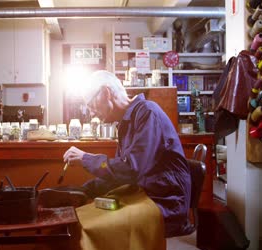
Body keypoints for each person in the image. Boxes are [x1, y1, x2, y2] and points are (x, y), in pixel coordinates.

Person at [63, 70, 191, 237]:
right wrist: (84, 191)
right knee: (80, 218)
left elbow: (131, 170)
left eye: (91, 105)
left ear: (106, 93)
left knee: (91, 228)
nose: (92, 113)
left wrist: (86, 158)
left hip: (166, 203)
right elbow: (119, 174)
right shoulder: (127, 122)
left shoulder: (147, 113)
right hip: (146, 195)